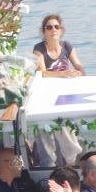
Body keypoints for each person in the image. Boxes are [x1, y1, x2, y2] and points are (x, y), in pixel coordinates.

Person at [32, 15, 84, 167]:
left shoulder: (66, 46)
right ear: (44, 31)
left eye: (56, 27)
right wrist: (64, 73)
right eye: (49, 27)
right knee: (49, 127)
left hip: (66, 92)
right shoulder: (39, 49)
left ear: (61, 30)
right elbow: (41, 72)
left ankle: (71, 161)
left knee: (66, 127)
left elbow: (78, 65)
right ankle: (49, 162)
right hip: (48, 94)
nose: (53, 30)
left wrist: (79, 72)